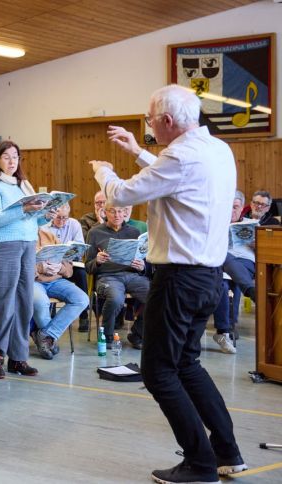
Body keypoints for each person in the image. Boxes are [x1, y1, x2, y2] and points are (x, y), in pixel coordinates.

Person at [91, 84, 246, 483]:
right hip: (208, 278)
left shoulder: (179, 156)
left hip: (179, 278)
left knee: (158, 372)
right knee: (186, 363)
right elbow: (173, 177)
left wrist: (103, 171)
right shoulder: (216, 148)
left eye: (149, 120)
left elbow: (122, 193)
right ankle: (226, 452)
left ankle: (200, 464)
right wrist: (136, 151)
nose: (147, 127)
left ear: (166, 120)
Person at [0, 140, 47, 379]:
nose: (11, 161)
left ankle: (18, 358)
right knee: (4, 302)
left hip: (27, 244)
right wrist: (24, 209)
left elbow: (34, 220)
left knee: (25, 302)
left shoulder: (24, 184)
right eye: (6, 156)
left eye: (15, 156)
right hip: (2, 246)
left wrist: (46, 213)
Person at [85, 203, 148, 349]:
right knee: (116, 298)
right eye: (112, 211)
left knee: (156, 296)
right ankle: (106, 336)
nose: (117, 215)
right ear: (105, 212)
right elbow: (88, 267)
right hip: (107, 276)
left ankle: (137, 334)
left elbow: (143, 260)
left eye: (120, 211)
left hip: (132, 275)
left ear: (125, 212)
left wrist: (143, 267)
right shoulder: (94, 232)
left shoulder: (134, 232)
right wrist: (97, 261)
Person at [31, 227, 89, 359]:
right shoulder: (22, 237)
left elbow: (69, 271)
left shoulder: (50, 236)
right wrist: (41, 267)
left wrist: (60, 268)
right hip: (33, 281)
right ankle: (48, 341)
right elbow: (19, 267)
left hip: (55, 280)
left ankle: (46, 336)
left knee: (82, 299)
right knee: (40, 302)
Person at [44, 203, 90, 331]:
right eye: (58, 217)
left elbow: (79, 248)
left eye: (65, 218)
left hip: (70, 264)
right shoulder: (44, 226)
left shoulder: (74, 224)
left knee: (81, 273)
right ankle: (51, 313)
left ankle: (84, 316)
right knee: (50, 272)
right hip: (51, 264)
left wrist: (69, 253)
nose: (62, 221)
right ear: (53, 215)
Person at [211, 191, 247, 354]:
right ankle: (224, 331)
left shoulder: (250, 225)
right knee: (223, 286)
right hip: (220, 266)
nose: (231, 210)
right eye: (229, 206)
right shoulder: (216, 224)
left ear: (242, 208)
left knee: (238, 279)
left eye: (235, 207)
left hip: (243, 266)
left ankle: (230, 326)